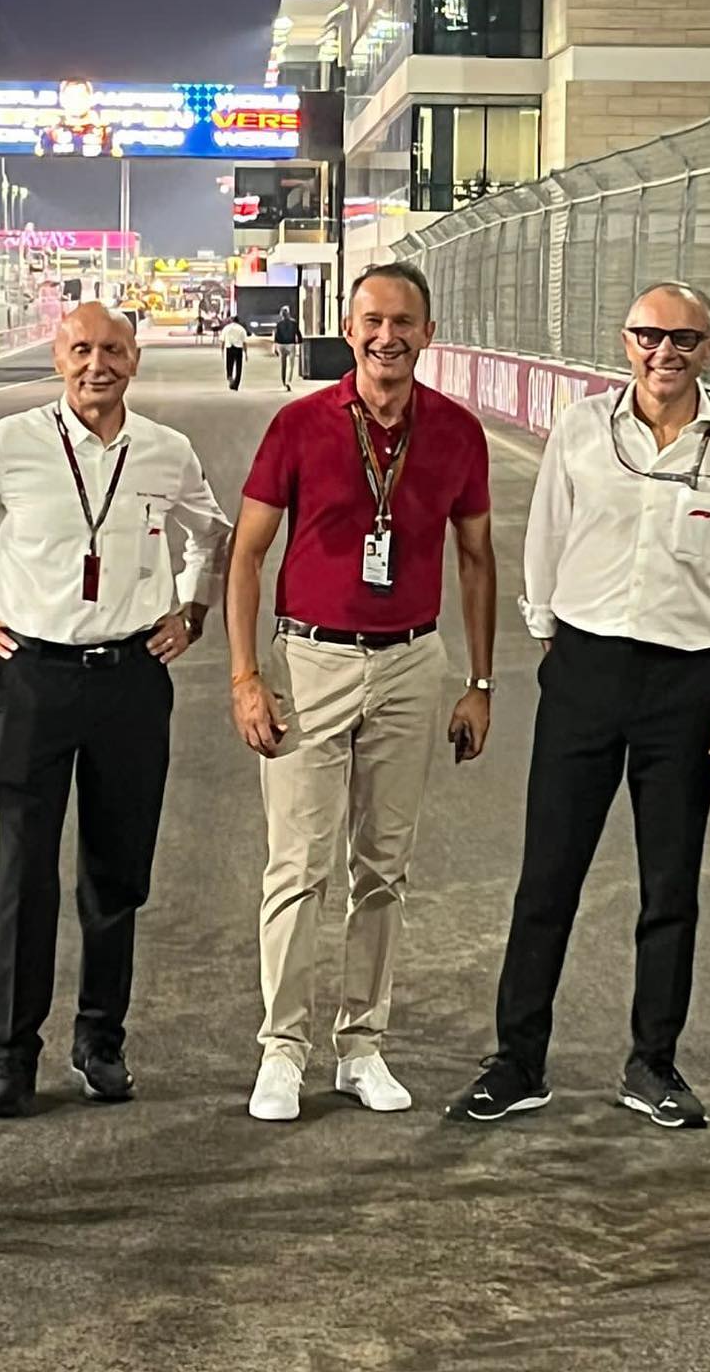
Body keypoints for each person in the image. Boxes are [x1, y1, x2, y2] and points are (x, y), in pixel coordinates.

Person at [445, 282, 710, 1131]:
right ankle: (518, 1059)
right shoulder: (581, 428)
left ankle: (653, 1063)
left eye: (683, 338)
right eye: (647, 335)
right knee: (547, 876)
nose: (663, 352)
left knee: (669, 884)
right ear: (625, 340)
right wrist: (551, 635)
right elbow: (547, 536)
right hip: (585, 671)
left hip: (684, 682)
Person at [0, 302, 232, 1119]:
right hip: (35, 676)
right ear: (57, 357)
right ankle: (10, 1057)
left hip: (133, 678)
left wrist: (191, 610)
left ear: (134, 360)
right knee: (23, 873)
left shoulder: (166, 453)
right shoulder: (9, 444)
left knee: (117, 875)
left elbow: (212, 532)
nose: (95, 364)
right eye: (79, 349)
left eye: (111, 349)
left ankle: (101, 1044)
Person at [228, 261, 497, 1121]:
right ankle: (282, 1049)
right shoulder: (300, 424)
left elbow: (478, 557)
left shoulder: (455, 432)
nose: (389, 336)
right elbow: (246, 555)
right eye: (373, 321)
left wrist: (479, 681)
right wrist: (245, 676)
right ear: (349, 330)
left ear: (428, 331)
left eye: (405, 322)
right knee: (298, 867)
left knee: (383, 867)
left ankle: (362, 1045)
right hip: (310, 662)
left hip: (412, 663)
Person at [273, 305, 302, 391]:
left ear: (281, 314)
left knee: (283, 365)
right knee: (291, 365)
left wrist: (275, 347)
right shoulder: (294, 323)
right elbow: (298, 333)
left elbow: (276, 337)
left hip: (281, 345)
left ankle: (284, 382)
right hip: (291, 344)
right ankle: (288, 382)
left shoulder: (279, 324)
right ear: (288, 314)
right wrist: (300, 342)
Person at [222, 315, 249, 390]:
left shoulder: (226, 328)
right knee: (238, 367)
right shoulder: (241, 329)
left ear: (231, 320)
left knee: (229, 365)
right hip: (238, 349)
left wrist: (222, 351)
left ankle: (230, 378)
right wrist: (246, 353)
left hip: (229, 348)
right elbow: (244, 342)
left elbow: (223, 341)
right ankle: (236, 384)